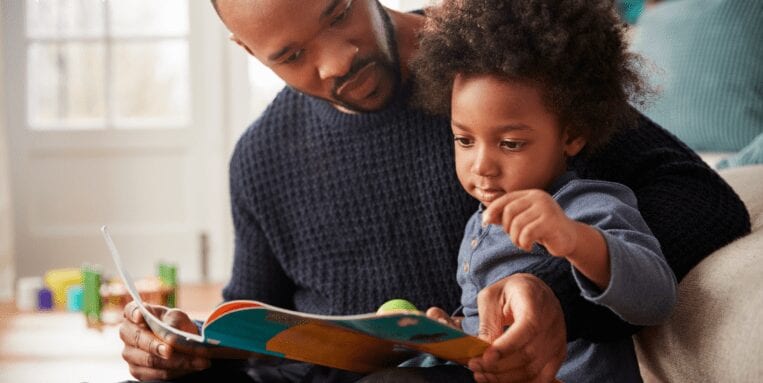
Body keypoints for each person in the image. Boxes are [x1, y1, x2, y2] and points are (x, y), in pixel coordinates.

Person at [117, 0, 751, 382]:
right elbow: (263, 349)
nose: (336, 60)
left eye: (338, 11)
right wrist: (182, 355)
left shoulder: (503, 74)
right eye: (289, 54)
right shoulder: (259, 160)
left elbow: (705, 204)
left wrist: (557, 301)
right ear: (247, 50)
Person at [402, 0, 675, 381]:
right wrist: (450, 329)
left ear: (573, 134)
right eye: (464, 140)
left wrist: (577, 240)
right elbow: (491, 330)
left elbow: (658, 298)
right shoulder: (478, 227)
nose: (481, 165)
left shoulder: (587, 206)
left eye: (511, 143)